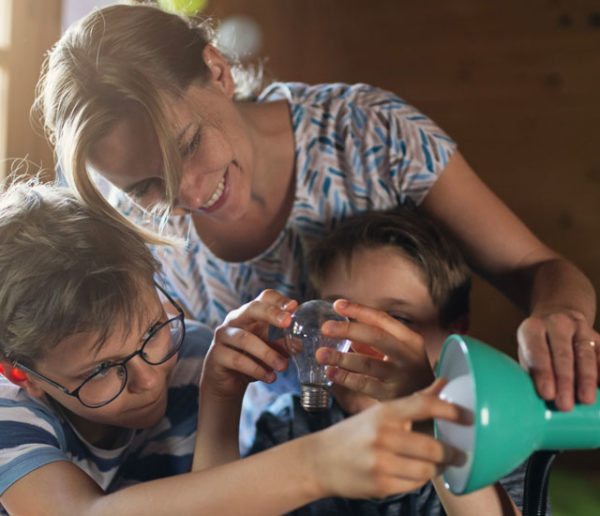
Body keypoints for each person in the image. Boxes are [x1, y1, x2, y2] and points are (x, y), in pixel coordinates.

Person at [35, 3, 599, 453]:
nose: (186, 194)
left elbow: (537, 269)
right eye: (143, 187)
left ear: (217, 70)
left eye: (188, 146)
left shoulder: (370, 133)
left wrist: (555, 316)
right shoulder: (142, 237)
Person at [0, 180, 471, 515]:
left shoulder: (187, 358)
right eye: (101, 369)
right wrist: (318, 463)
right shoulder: (7, 412)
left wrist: (220, 402)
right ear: (22, 374)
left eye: (151, 331)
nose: (148, 379)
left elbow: (210, 504)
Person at [250, 207, 524, 515]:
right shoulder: (288, 426)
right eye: (337, 320)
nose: (357, 345)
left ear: (454, 334)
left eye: (397, 319)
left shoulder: (496, 432)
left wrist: (426, 419)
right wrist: (222, 399)